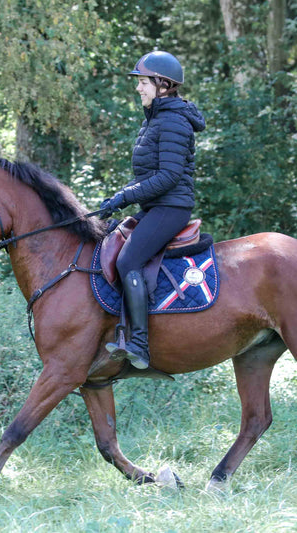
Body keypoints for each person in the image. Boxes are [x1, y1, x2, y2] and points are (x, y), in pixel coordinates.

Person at [99, 50, 206, 370]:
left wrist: (125, 196)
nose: (138, 88)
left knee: (129, 259)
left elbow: (169, 176)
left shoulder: (173, 120)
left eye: (143, 82)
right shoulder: (158, 118)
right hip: (157, 204)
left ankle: (140, 345)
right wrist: (122, 197)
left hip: (171, 207)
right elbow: (150, 174)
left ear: (163, 84)